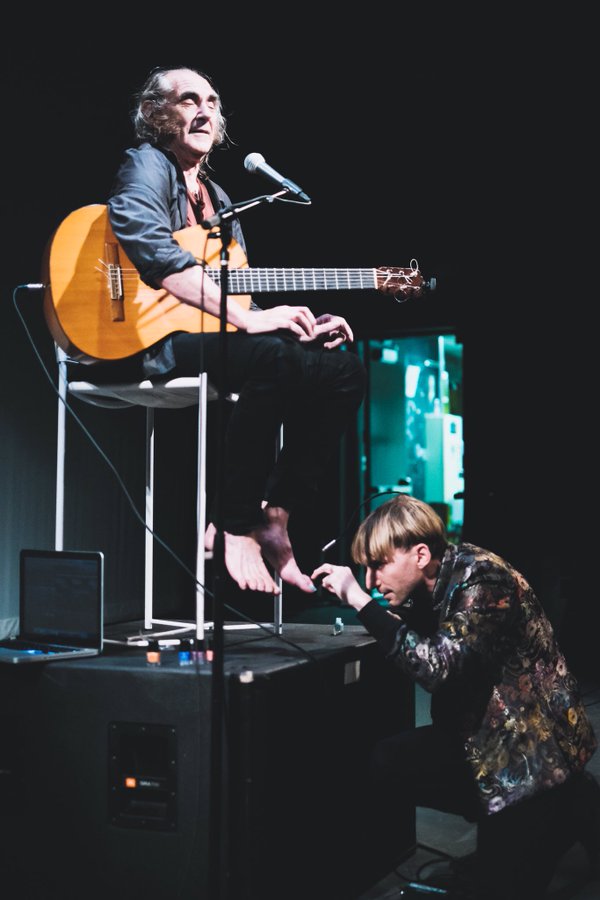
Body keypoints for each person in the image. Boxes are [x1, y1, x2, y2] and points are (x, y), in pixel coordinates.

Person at [86, 65, 418, 596]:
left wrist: (299, 326)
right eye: (188, 99)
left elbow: (234, 294)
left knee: (341, 371)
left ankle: (276, 517)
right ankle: (233, 523)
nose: (204, 110)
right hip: (141, 337)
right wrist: (251, 321)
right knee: (271, 357)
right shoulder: (146, 164)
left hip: (203, 334)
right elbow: (151, 251)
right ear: (156, 114)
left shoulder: (219, 198)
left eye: (213, 102)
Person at [312, 494, 600, 899]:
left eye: (378, 565)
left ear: (420, 554)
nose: (370, 581)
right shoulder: (442, 579)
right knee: (387, 761)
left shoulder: (484, 580)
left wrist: (360, 603)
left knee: (498, 889)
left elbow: (438, 668)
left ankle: (569, 803)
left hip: (531, 755)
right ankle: (510, 819)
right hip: (482, 743)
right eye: (365, 570)